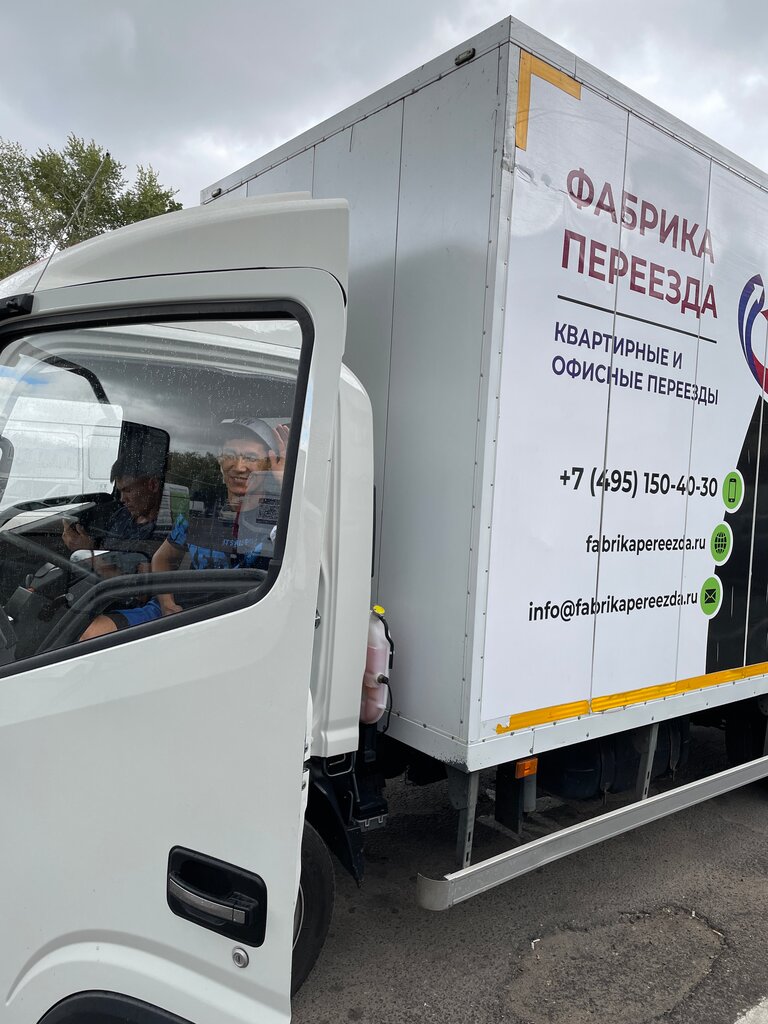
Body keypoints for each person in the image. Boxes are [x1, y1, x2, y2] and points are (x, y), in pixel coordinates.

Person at [79, 417, 288, 640]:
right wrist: (167, 603)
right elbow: (162, 558)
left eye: (251, 458)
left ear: (269, 464)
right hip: (180, 612)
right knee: (90, 633)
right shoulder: (203, 510)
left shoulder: (282, 513)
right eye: (230, 455)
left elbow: (303, 569)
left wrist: (285, 484)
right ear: (220, 460)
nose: (239, 466)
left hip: (241, 620)